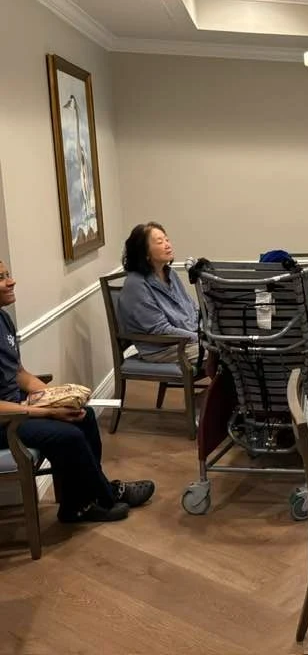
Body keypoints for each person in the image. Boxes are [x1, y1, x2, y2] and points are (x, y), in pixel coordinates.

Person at [0, 260, 155, 523]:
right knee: (68, 436)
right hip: (6, 422)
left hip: (20, 408)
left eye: (7, 274)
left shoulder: (3, 318)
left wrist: (57, 396)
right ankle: (106, 496)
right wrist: (42, 411)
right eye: (1, 278)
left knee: (84, 415)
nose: (11, 281)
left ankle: (78, 504)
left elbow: (19, 373)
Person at [118, 222, 200, 364]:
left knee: (233, 347)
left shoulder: (170, 273)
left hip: (188, 338)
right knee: (227, 354)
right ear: (144, 252)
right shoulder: (135, 284)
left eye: (167, 240)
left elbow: (191, 308)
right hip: (164, 348)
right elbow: (161, 329)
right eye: (160, 242)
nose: (167, 245)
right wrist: (200, 338)